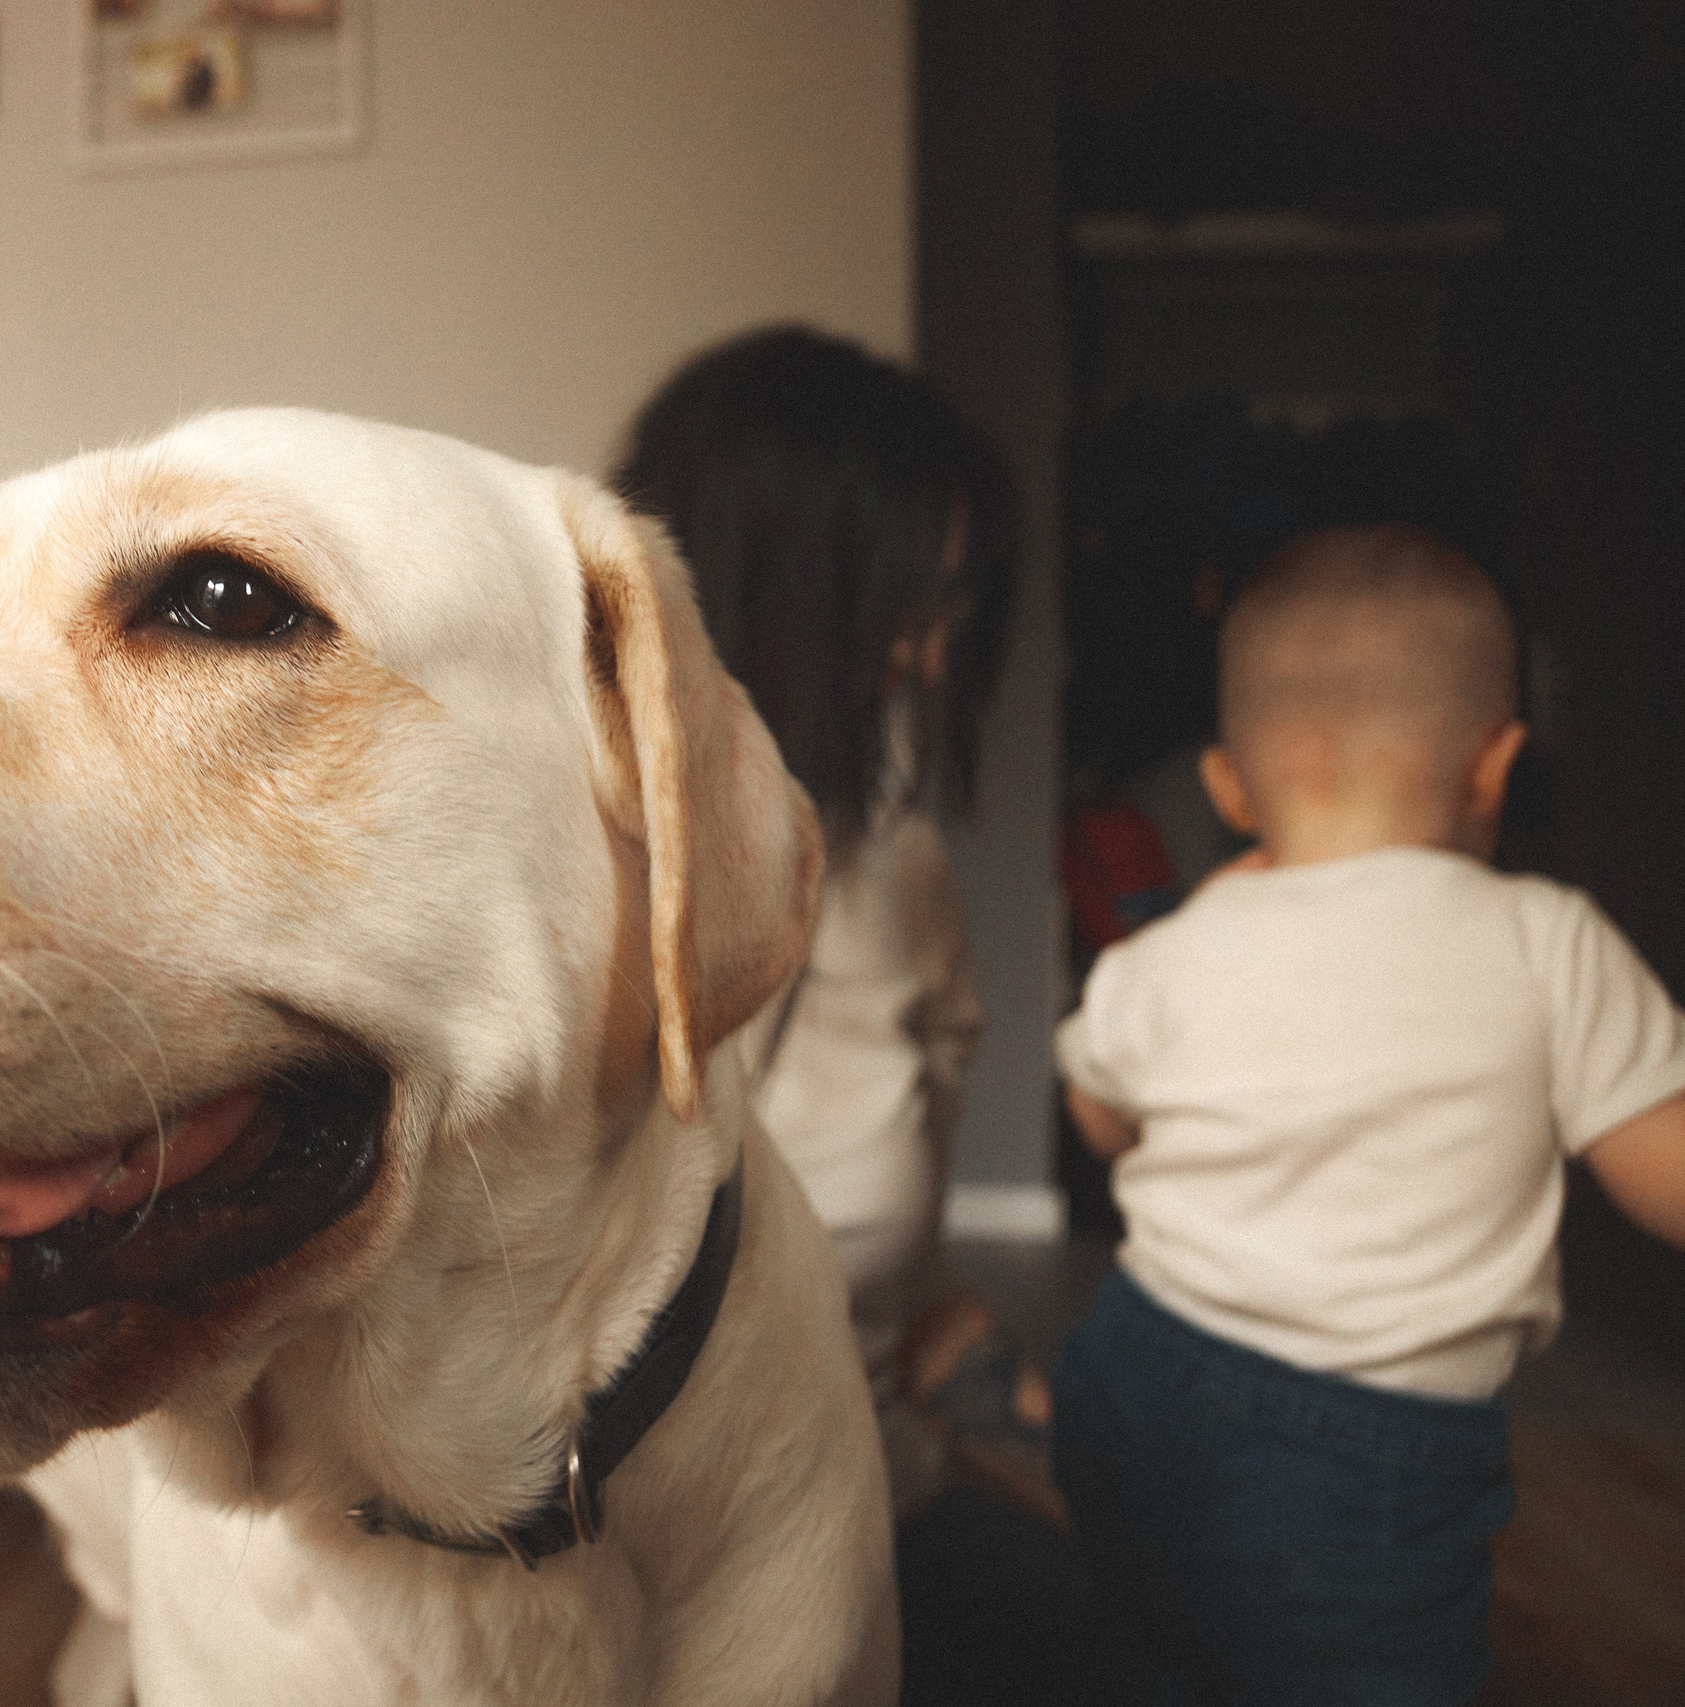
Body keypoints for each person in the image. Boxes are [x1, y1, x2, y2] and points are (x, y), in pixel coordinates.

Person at [1054, 525, 1685, 1704]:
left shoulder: (1174, 949)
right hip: (1359, 1456)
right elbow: (1666, 1166)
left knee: (1142, 1648)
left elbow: (1097, 1116)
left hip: (1135, 1371)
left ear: (1227, 787)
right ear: (1495, 768)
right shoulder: (1546, 941)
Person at [615, 326, 1036, 1526]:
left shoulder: (900, 873)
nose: (933, 658)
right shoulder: (541, 889)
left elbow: (915, 1279)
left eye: (952, 604)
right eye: (903, 607)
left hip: (864, 1495)